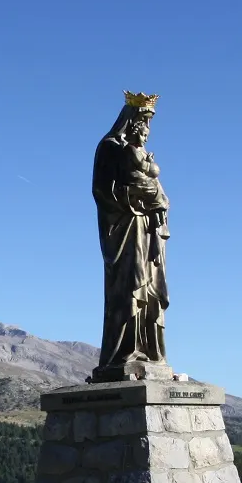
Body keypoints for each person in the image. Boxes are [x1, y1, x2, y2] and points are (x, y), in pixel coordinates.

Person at [91, 92, 169, 382]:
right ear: (130, 120)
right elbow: (103, 191)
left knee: (150, 291)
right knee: (128, 288)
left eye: (148, 124)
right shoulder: (110, 148)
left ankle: (149, 350)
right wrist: (136, 197)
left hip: (147, 229)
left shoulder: (138, 152)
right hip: (125, 229)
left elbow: (154, 185)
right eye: (143, 121)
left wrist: (156, 201)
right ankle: (124, 353)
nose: (146, 129)